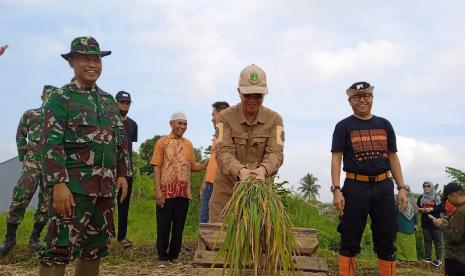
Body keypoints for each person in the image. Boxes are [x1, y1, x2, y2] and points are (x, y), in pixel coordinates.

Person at [38, 36, 129, 276]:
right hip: (73, 190)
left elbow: (119, 141)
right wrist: (58, 183)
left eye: (97, 59)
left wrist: (122, 174)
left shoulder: (109, 101)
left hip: (105, 191)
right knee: (58, 249)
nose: (92, 64)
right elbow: (50, 144)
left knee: (95, 248)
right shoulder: (60, 98)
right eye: (85, 59)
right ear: (72, 63)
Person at [331, 81, 408, 276]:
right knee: (349, 237)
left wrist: (402, 187)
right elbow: (336, 158)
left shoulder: (384, 124)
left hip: (384, 187)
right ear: (350, 101)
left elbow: (392, 157)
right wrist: (336, 189)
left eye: (366, 96)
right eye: (357, 97)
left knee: (386, 238)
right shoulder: (343, 126)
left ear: (372, 98)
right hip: (355, 187)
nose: (362, 100)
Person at [208, 64, 285, 223]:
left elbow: (276, 153)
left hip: (260, 193)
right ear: (239, 92)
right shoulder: (224, 118)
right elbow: (223, 152)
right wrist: (240, 171)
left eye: (258, 96)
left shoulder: (275, 120)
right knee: (217, 239)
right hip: (226, 193)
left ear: (264, 95)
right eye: (247, 95)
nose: (252, 100)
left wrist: (263, 170)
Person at [0, 86, 54, 254]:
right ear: (42, 97)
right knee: (20, 198)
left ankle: (35, 239)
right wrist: (25, 156)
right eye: (48, 96)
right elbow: (20, 135)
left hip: (51, 166)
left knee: (45, 204)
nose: (50, 99)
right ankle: (10, 239)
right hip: (31, 165)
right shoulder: (31, 114)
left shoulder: (60, 119)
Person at [150, 112, 207, 267]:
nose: (182, 127)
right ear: (171, 124)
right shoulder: (162, 142)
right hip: (166, 191)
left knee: (179, 226)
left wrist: (206, 164)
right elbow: (156, 166)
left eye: (185, 124)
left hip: (183, 191)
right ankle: (162, 257)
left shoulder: (188, 144)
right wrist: (158, 191)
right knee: (163, 225)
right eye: (179, 123)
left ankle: (174, 256)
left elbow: (192, 166)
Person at [199, 101, 229, 223]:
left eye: (213, 115)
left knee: (215, 221)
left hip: (219, 185)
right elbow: (213, 162)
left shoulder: (229, 135)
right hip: (209, 184)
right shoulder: (217, 136)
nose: (212, 119)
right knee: (204, 220)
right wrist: (204, 183)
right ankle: (204, 242)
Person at [115, 90, 138, 248]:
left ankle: (121, 237)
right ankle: (101, 237)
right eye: (122, 102)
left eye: (127, 103)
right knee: (106, 204)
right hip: (109, 169)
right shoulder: (109, 122)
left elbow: (130, 146)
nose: (124, 105)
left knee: (124, 204)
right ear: (116, 103)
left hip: (127, 169)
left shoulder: (133, 125)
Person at [433, 182, 465, 276]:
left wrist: (441, 225)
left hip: (457, 259)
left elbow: (454, 237)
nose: (448, 202)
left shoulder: (461, 212)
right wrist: (449, 225)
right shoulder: (460, 209)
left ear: (454, 195)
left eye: (448, 198)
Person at [417, 180, 443, 266]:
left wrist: (431, 209)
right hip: (425, 223)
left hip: (436, 222)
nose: (426, 187)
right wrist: (422, 210)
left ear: (431, 187)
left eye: (428, 186)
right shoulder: (421, 198)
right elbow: (418, 208)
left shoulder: (437, 197)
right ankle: (428, 257)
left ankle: (439, 259)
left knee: (438, 241)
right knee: (427, 241)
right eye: (424, 186)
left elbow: (441, 208)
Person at [395, 188, 418, 262]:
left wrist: (415, 224)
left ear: (409, 191)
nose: (406, 192)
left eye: (407, 190)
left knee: (410, 243)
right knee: (400, 242)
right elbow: (395, 214)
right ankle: (401, 258)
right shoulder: (398, 201)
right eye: (404, 190)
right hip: (400, 225)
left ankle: (411, 259)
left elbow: (415, 214)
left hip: (410, 225)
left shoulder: (413, 202)